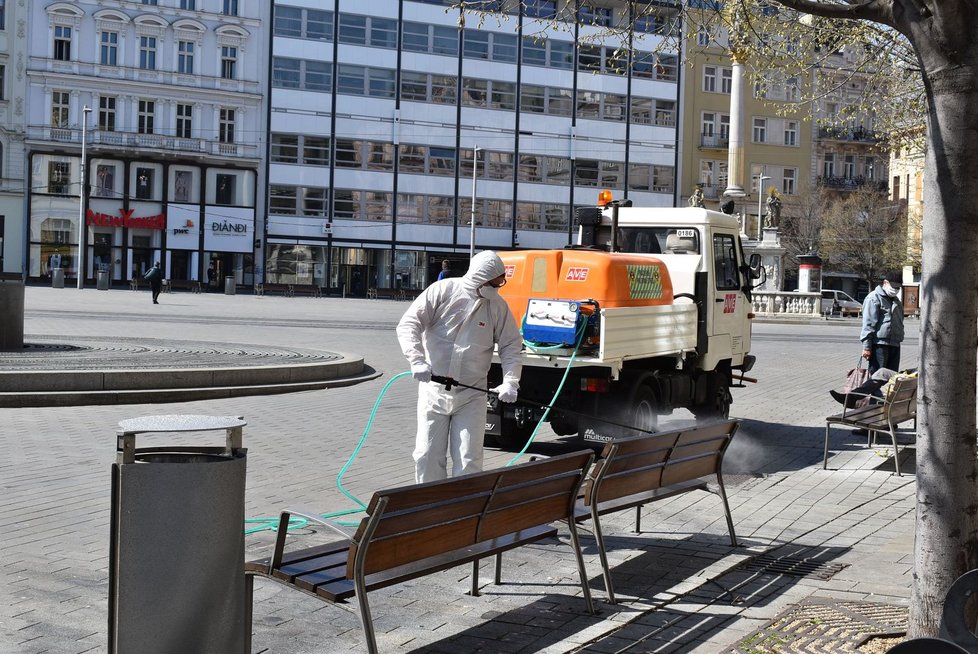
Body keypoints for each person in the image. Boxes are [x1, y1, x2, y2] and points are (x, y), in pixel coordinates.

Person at [396, 250, 523, 483]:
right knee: (426, 455)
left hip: (472, 394)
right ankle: (430, 508)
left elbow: (511, 345)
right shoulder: (442, 291)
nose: (497, 288)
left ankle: (463, 511)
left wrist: (511, 381)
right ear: (479, 277)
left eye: (499, 283)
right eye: (494, 283)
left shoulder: (496, 306)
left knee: (469, 459)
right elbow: (409, 324)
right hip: (434, 390)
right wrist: (416, 359)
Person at [860, 271, 905, 374]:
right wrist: (867, 347)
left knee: (891, 378)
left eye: (898, 288)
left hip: (895, 343)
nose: (895, 290)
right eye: (893, 286)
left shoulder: (896, 300)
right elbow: (868, 324)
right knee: (877, 377)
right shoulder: (873, 298)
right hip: (879, 344)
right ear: (885, 283)